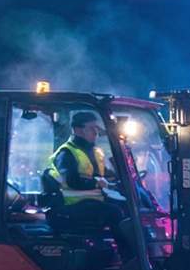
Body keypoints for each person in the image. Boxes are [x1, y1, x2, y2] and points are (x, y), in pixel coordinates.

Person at [45, 111, 137, 261]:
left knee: (130, 208)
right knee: (115, 212)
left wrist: (120, 177)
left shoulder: (95, 152)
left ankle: (138, 254)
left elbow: (106, 174)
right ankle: (128, 258)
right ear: (78, 130)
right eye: (92, 128)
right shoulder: (66, 153)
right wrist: (96, 182)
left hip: (93, 201)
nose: (96, 132)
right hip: (72, 205)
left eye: (97, 128)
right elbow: (72, 180)